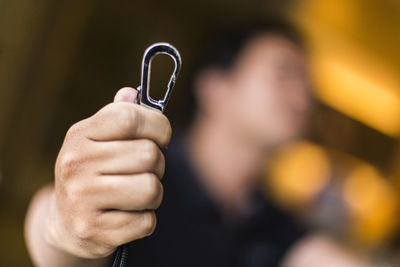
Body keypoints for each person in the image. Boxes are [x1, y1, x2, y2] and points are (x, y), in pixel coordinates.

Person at [24, 20, 372, 267]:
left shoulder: (272, 220)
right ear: (214, 86)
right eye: (284, 74)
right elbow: (50, 225)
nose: (303, 97)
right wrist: (62, 225)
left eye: (307, 84)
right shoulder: (145, 170)